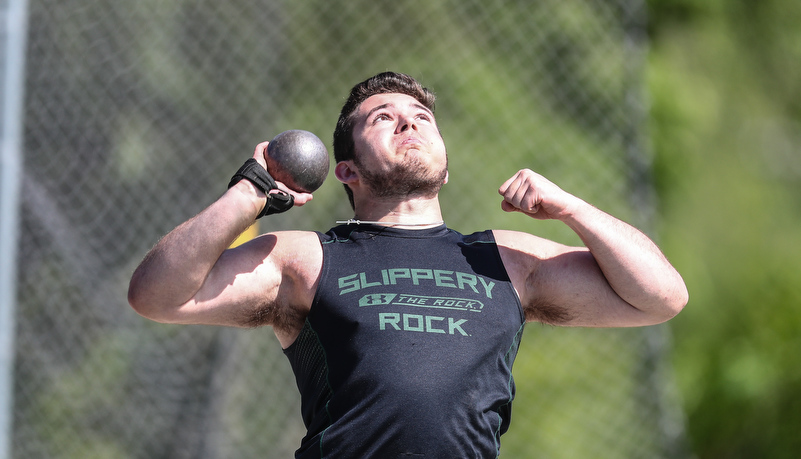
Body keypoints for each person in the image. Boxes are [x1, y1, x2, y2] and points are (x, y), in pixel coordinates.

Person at [128, 71, 688, 458]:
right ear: (345, 170)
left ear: (445, 169)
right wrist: (249, 194)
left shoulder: (505, 259)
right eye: (383, 119)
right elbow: (157, 295)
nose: (409, 123)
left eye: (421, 116)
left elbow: (661, 297)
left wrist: (570, 208)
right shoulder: (305, 257)